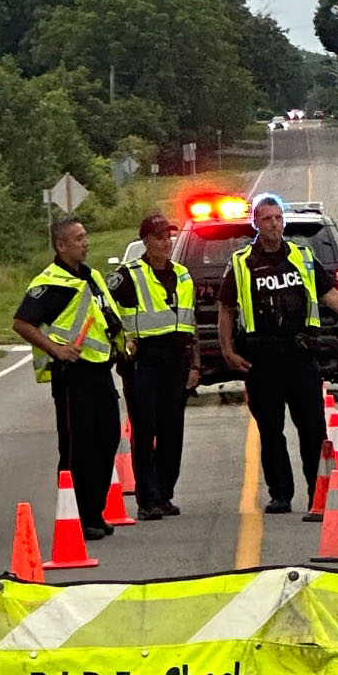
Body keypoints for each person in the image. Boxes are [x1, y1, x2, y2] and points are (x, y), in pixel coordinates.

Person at [217, 192, 338, 512]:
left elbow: (330, 295)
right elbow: (226, 309)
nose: (274, 224)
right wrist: (228, 351)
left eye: (277, 218)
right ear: (255, 224)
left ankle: (319, 492)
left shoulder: (302, 257)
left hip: (300, 353)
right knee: (271, 429)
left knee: (313, 427)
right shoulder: (241, 263)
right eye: (266, 219)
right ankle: (280, 494)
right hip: (262, 358)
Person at [12, 217, 125, 538]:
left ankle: (94, 511)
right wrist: (55, 349)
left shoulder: (91, 277)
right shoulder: (51, 283)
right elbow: (22, 323)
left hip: (100, 370)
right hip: (73, 375)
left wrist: (123, 345)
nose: (85, 242)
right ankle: (76, 516)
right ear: (61, 246)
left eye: (85, 236)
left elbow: (105, 319)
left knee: (107, 441)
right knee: (78, 447)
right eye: (78, 238)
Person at [108, 212, 199, 520]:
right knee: (146, 431)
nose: (166, 242)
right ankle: (148, 500)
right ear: (146, 241)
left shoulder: (183, 275)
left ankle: (165, 493)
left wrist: (195, 364)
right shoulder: (128, 275)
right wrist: (121, 344)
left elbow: (190, 323)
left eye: (169, 236)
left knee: (173, 430)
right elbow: (104, 309)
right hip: (143, 361)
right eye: (160, 237)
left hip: (176, 360)